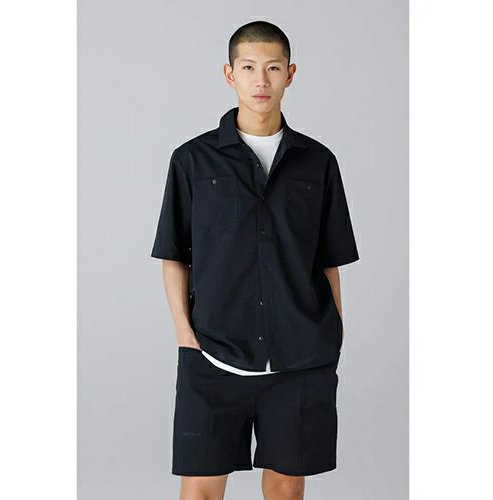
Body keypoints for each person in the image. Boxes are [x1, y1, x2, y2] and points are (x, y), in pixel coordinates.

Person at [151, 20, 359, 500]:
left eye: (272, 68)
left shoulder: (318, 162)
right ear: (230, 74)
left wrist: (335, 330)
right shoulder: (192, 161)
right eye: (248, 68)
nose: (260, 80)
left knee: (286, 490)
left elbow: (329, 259)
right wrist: (185, 336)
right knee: (201, 490)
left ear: (290, 74)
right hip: (212, 353)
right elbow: (173, 255)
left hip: (300, 358)